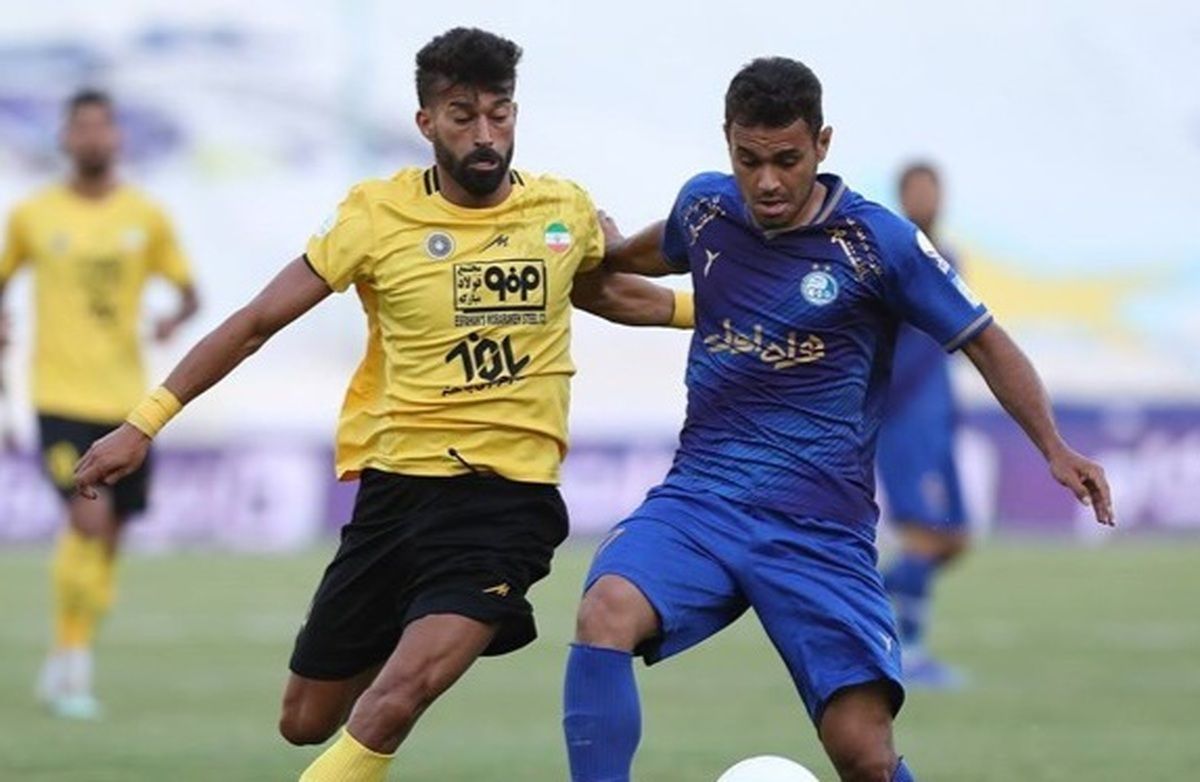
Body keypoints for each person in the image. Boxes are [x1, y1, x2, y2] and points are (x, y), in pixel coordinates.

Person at [73, 28, 692, 782]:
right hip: (394, 496)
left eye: (499, 113)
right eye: (462, 115)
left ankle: (436, 635)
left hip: (505, 503)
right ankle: (416, 627)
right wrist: (143, 425)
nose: (485, 133)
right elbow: (256, 322)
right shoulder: (375, 215)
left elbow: (609, 290)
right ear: (426, 122)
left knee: (394, 703)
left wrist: (725, 311)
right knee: (305, 721)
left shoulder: (561, 209)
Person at [563, 57, 1112, 782]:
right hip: (702, 500)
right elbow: (628, 261)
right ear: (727, 141)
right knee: (605, 611)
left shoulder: (878, 243)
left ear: (822, 144)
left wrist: (1054, 447)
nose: (767, 181)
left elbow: (984, 339)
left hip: (818, 527)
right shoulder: (705, 209)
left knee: (864, 754)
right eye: (749, 159)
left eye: (787, 160)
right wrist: (589, 248)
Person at [0, 89, 199, 720]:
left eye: (101, 127)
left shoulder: (146, 216)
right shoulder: (33, 215)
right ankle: (72, 664)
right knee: (87, 521)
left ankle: (70, 649)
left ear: (117, 137)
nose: (91, 137)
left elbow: (190, 292)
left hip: (128, 406)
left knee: (109, 537)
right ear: (65, 138)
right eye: (80, 127)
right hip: (58, 397)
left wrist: (171, 321)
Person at [878, 162, 970, 689]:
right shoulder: (891, 259)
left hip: (938, 417)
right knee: (923, 535)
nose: (925, 199)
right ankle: (908, 652)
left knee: (954, 538)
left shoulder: (949, 258)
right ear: (902, 197)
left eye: (932, 189)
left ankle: (867, 595)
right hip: (902, 417)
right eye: (915, 190)